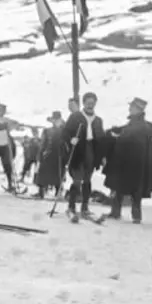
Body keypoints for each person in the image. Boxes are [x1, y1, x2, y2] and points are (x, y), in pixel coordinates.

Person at [102, 98, 152, 223]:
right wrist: (115, 131)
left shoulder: (142, 125)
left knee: (132, 188)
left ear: (138, 110)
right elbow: (127, 129)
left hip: (134, 163)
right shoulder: (137, 123)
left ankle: (132, 214)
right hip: (127, 161)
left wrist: (118, 135)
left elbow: (131, 133)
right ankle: (121, 212)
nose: (130, 109)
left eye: (132, 107)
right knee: (121, 186)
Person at [62, 92, 105, 222]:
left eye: (92, 103)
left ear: (95, 104)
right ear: (84, 103)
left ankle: (85, 207)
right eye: (88, 103)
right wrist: (71, 139)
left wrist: (102, 156)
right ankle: (71, 206)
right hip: (78, 151)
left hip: (91, 151)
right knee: (77, 180)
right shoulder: (75, 117)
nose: (90, 105)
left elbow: (101, 139)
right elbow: (65, 133)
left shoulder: (98, 120)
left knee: (87, 179)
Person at [33, 111, 65, 199]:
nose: (56, 122)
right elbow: (43, 144)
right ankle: (40, 192)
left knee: (58, 175)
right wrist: (40, 155)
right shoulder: (47, 131)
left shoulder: (64, 131)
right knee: (42, 174)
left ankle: (58, 193)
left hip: (59, 156)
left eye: (57, 120)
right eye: (54, 120)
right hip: (47, 155)